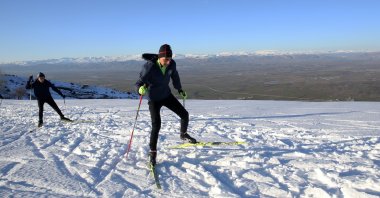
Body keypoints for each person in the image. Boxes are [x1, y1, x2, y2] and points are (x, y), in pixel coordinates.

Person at [136, 44, 197, 166]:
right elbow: (139, 83)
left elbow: (175, 76)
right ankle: (152, 152)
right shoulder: (150, 67)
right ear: (159, 57)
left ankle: (183, 134)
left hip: (166, 95)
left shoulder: (171, 64)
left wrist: (179, 89)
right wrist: (140, 90)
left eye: (170, 59)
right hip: (154, 99)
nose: (168, 62)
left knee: (184, 114)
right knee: (156, 125)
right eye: (166, 59)